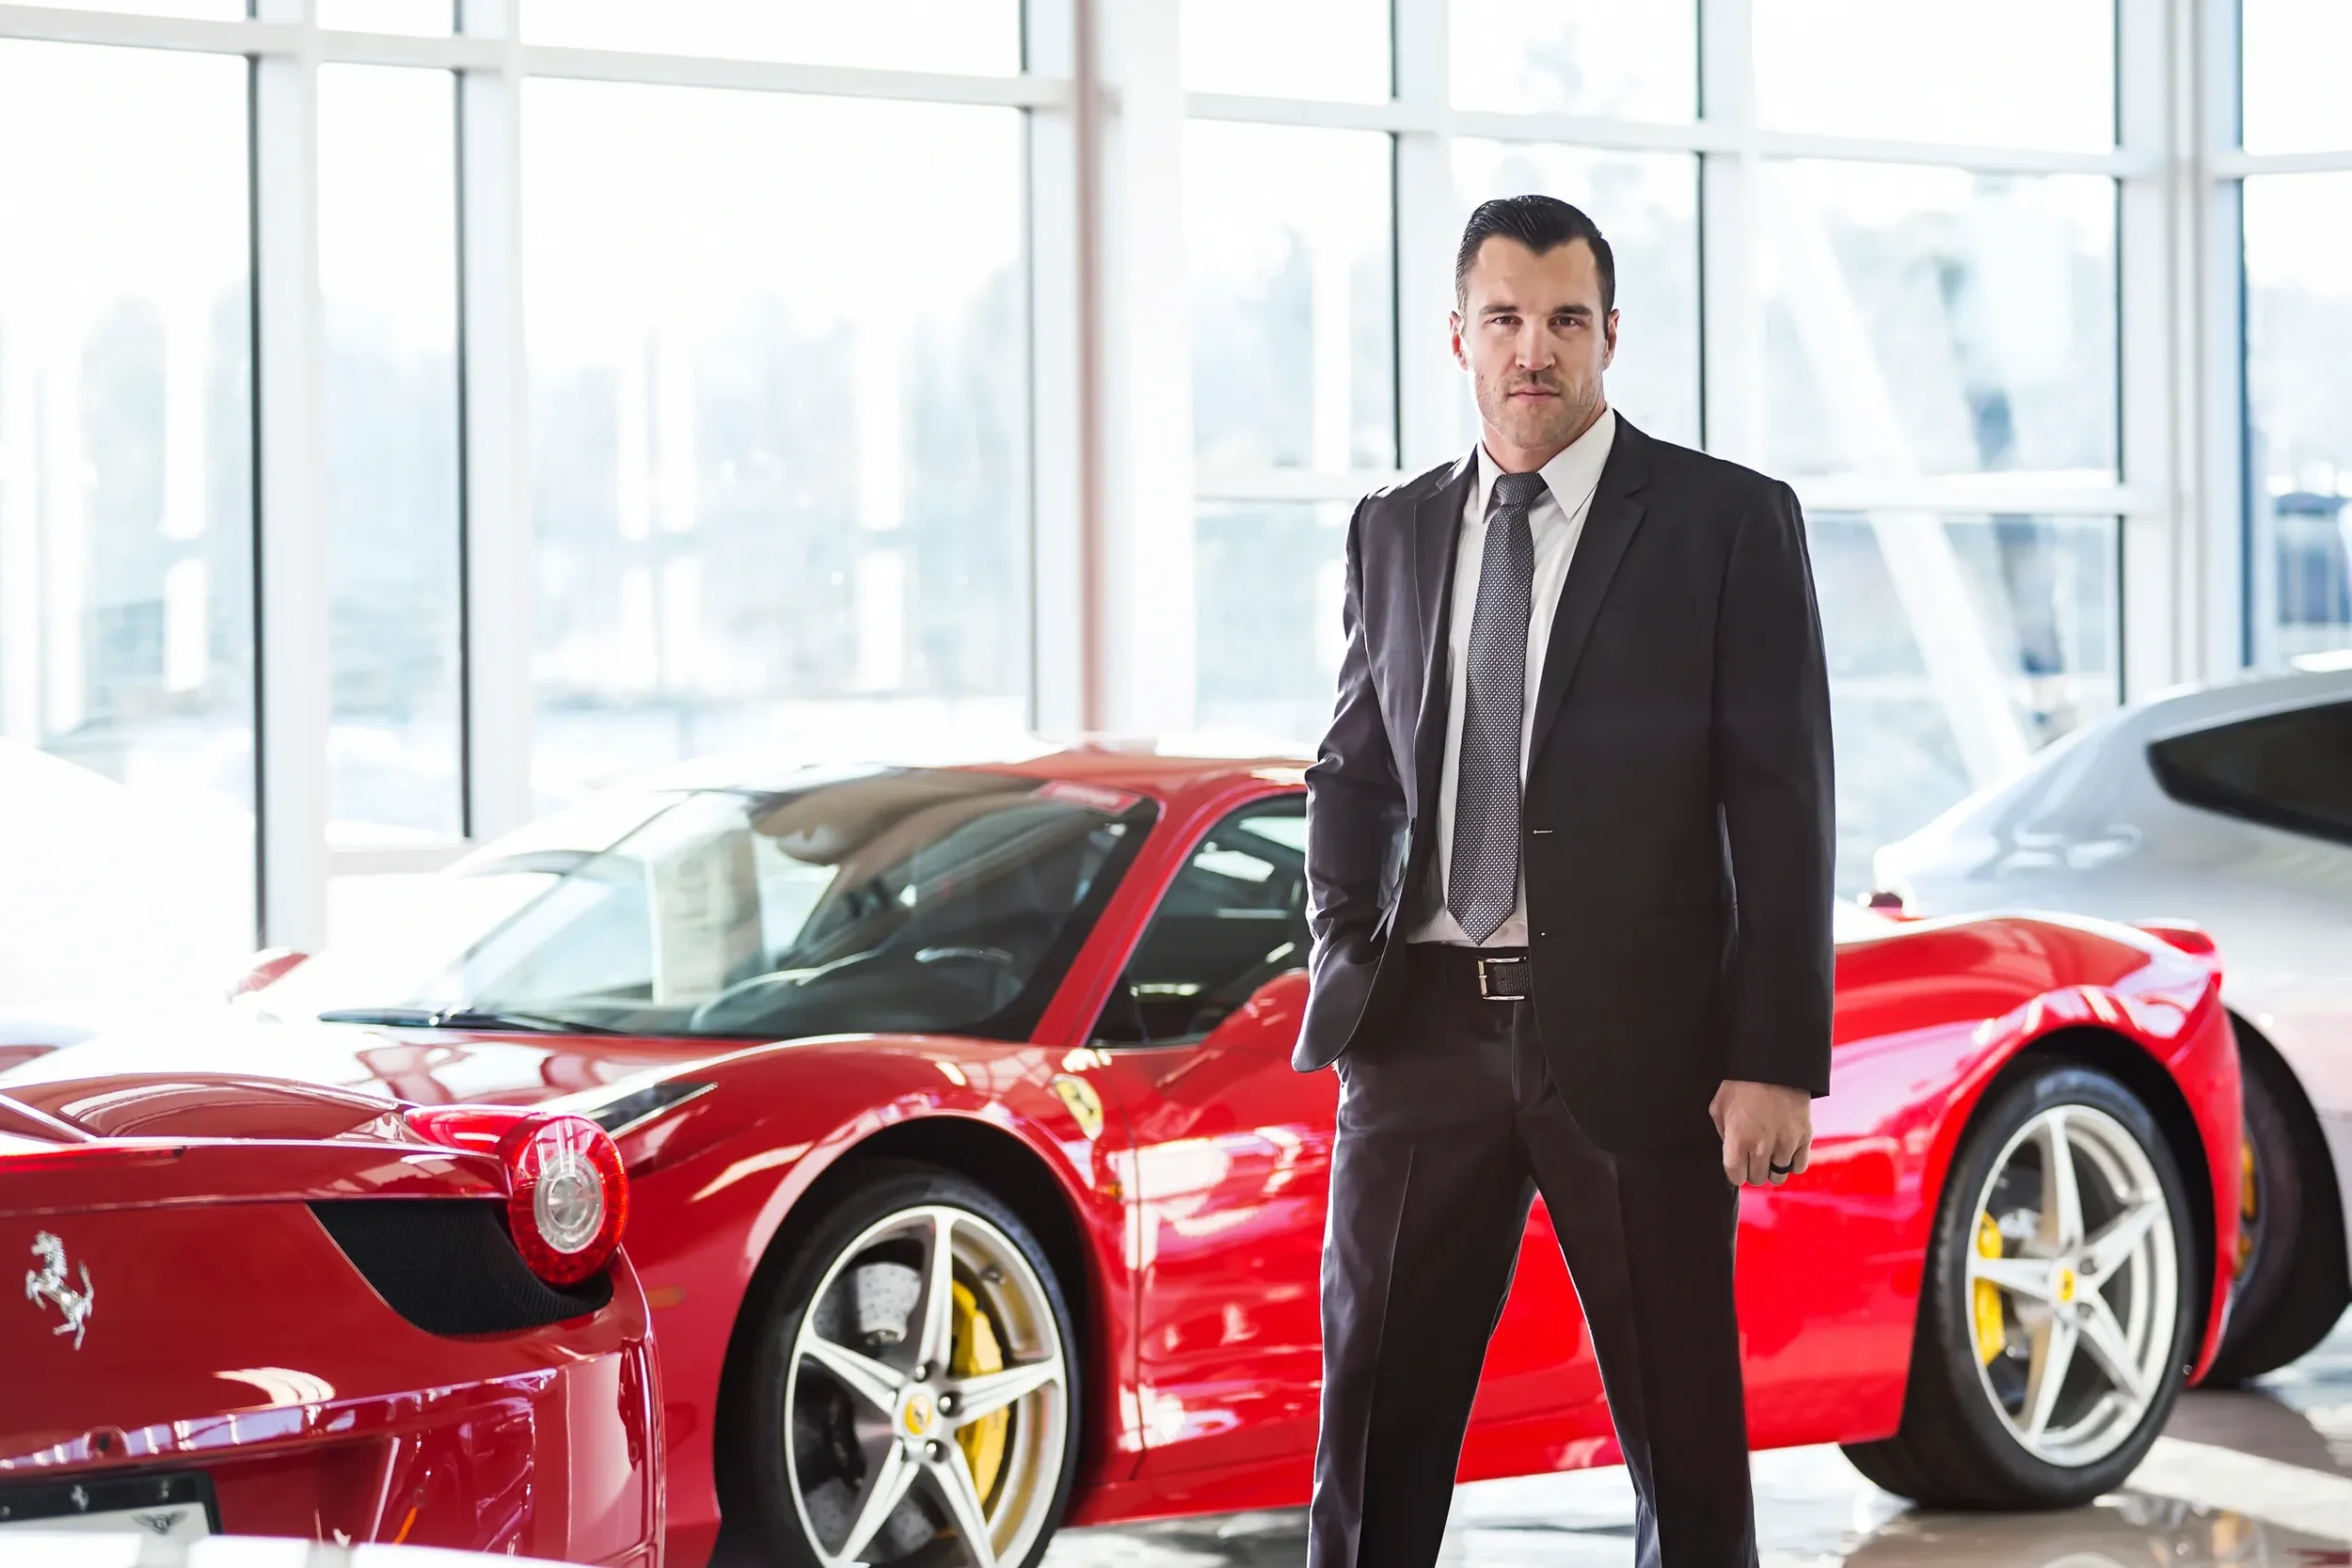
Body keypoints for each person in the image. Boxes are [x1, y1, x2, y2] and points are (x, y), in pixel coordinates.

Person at [1297, 194, 1836, 1568]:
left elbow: (1782, 810)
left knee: (1685, 1447)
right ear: (1458, 337)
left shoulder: (1726, 523)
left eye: (1566, 320)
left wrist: (1773, 1055)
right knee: (1370, 1433)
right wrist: (1345, 954)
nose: (1534, 349)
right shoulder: (1396, 528)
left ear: (1610, 335)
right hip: (1417, 1035)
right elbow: (1353, 769)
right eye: (1506, 320)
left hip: (1642, 1048)